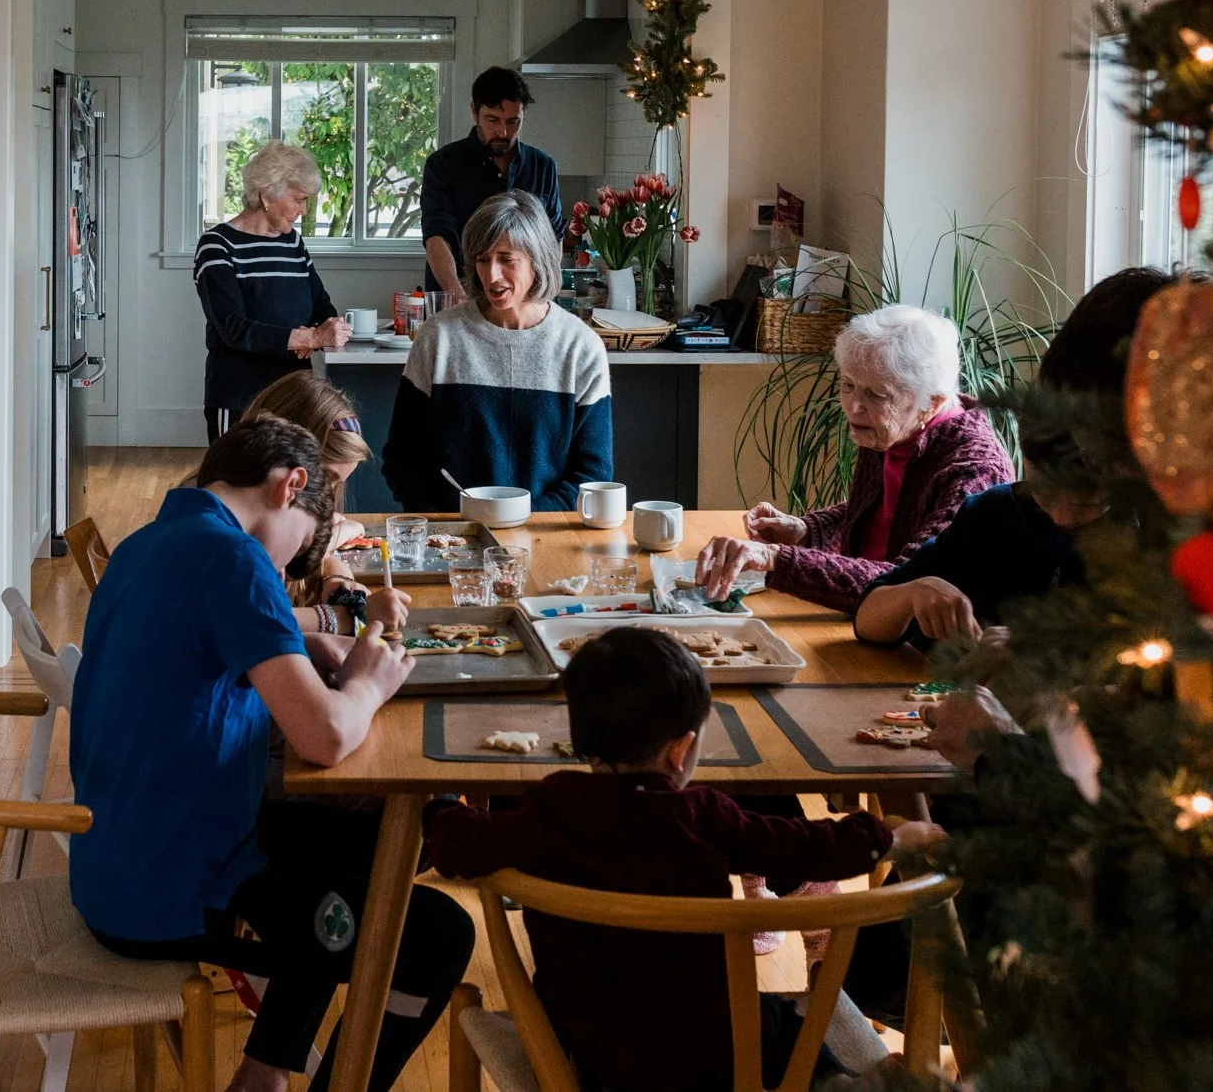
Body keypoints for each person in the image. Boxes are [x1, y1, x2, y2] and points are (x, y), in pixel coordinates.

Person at [71, 418, 474, 1092]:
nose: (290, 566)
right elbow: (324, 736)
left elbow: (203, 652)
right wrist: (370, 684)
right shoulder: (237, 560)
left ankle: (264, 1071)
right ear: (292, 484)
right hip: (167, 885)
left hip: (115, 852)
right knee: (437, 934)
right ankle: (291, 1078)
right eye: (300, 548)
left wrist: (299, 644)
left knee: (384, 843)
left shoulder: (149, 542)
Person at [428, 626, 942, 1092]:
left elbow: (457, 847)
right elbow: (804, 846)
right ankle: (844, 1087)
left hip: (594, 1054)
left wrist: (444, 809)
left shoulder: (550, 808)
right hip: (715, 1052)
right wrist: (888, 836)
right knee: (781, 1023)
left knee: (616, 1018)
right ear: (682, 750)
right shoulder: (703, 815)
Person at [852, 268, 1176, 647]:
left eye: (1084, 493)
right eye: (1045, 488)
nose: (1062, 515)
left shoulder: (1156, 549)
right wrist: (914, 592)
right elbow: (869, 613)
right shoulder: (996, 515)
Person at [698, 304, 1014, 613]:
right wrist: (805, 531)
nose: (852, 407)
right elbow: (881, 512)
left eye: (876, 394)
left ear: (932, 403)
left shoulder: (974, 473)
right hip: (861, 625)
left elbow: (905, 586)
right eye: (847, 385)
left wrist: (773, 557)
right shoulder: (896, 428)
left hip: (920, 651)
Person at [382, 192, 612, 512]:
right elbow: (402, 459)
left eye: (506, 259)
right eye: (482, 259)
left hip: (545, 537)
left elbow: (592, 475)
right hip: (452, 541)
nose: (491, 275)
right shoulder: (438, 338)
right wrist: (448, 524)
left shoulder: (581, 348)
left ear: (538, 260)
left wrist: (525, 522)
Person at [195, 142, 351, 443]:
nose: (303, 210)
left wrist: (320, 332)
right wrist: (309, 338)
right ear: (267, 194)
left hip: (295, 394)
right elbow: (234, 329)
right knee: (236, 483)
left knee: (292, 487)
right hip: (241, 397)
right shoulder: (217, 246)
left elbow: (322, 306)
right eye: (298, 200)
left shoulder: (292, 243)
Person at [238, 372, 407, 638]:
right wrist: (353, 615)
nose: (327, 498)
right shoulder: (232, 527)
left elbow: (319, 550)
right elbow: (251, 619)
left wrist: (336, 577)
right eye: (326, 480)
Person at [420, 67, 562, 300]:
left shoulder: (543, 166)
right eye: (492, 120)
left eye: (513, 121)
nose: (503, 131)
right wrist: (456, 295)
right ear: (474, 111)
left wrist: (543, 297)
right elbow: (437, 237)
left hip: (522, 302)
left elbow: (553, 239)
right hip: (458, 294)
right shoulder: (443, 164)